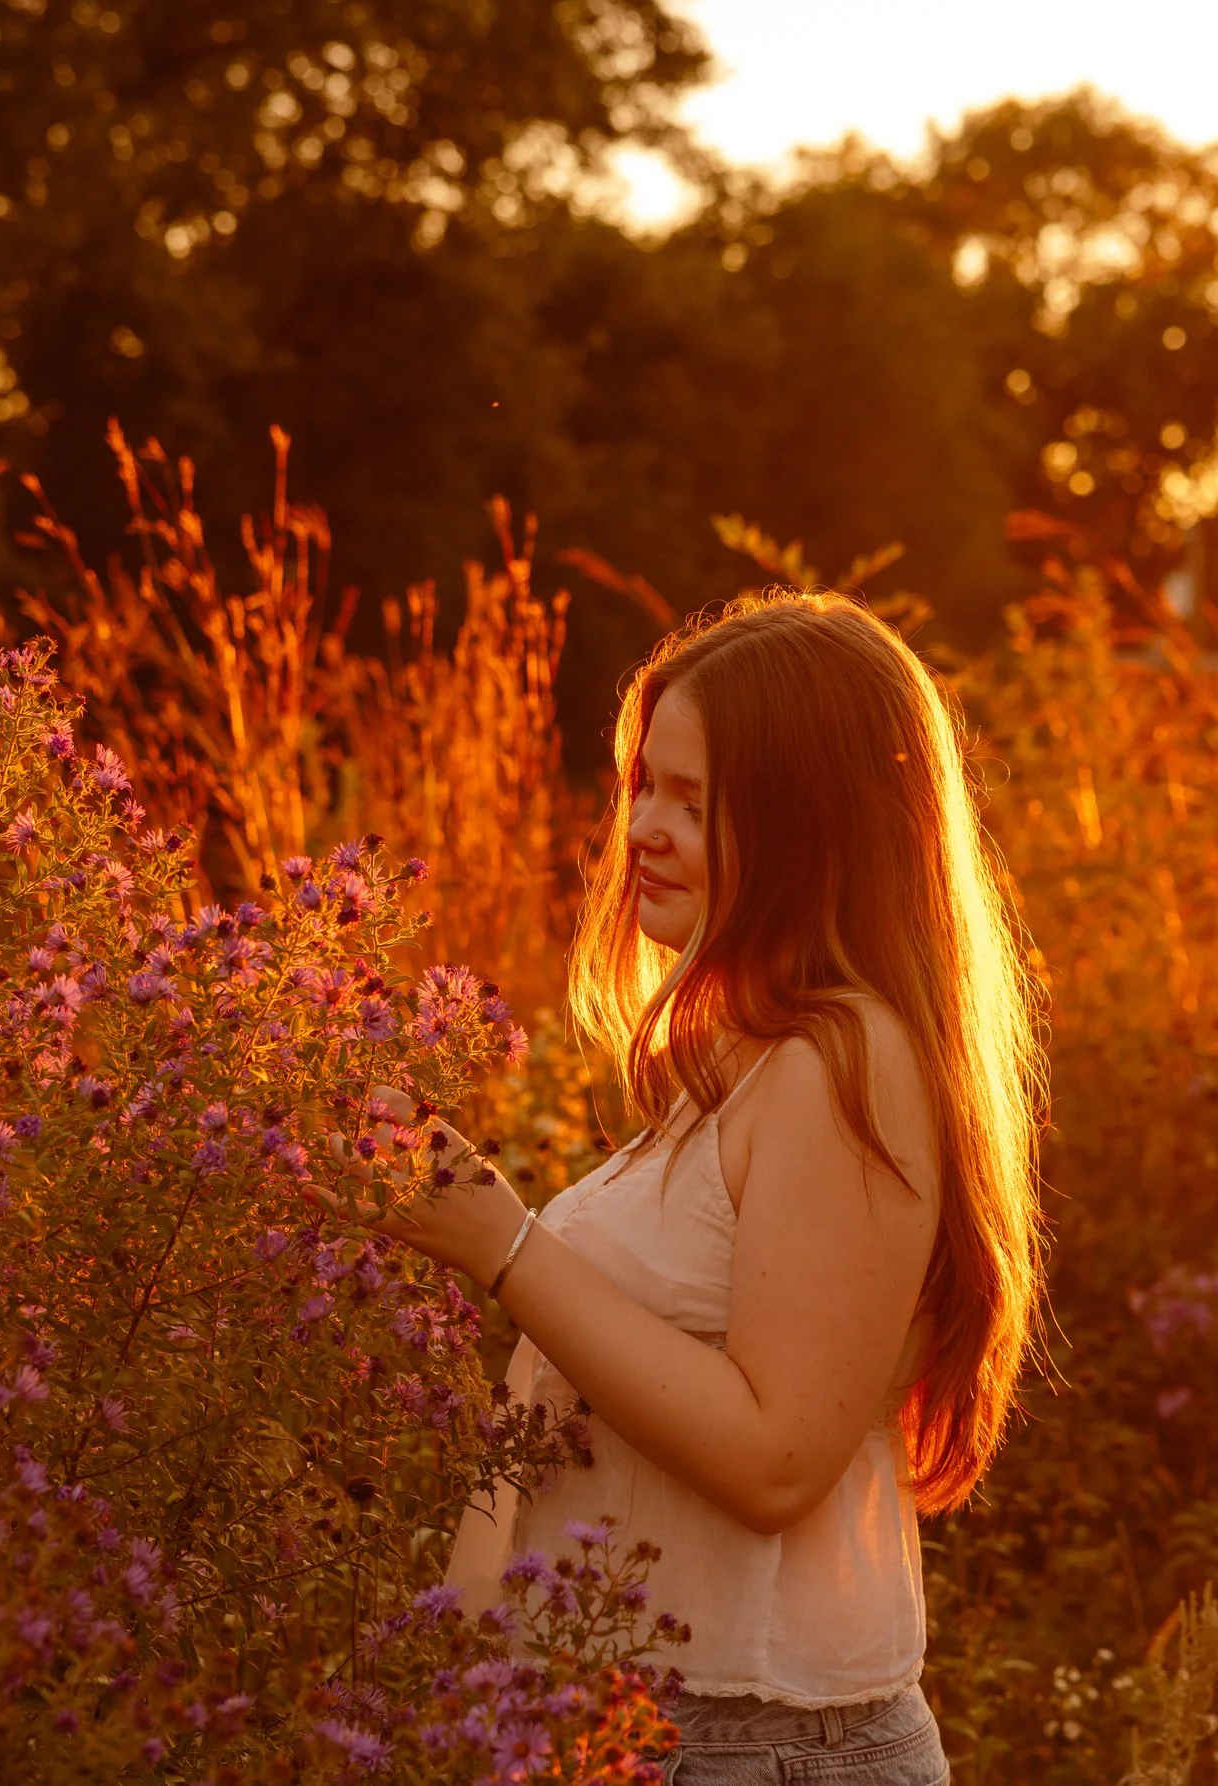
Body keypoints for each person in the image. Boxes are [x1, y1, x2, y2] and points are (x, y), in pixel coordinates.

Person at [353, 592, 1046, 1783]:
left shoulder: (847, 1059)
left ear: (813, 826)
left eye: (694, 799)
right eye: (642, 787)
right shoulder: (736, 1066)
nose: (644, 831)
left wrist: (508, 1249)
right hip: (610, 1725)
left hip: (751, 1745)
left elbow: (777, 1456)